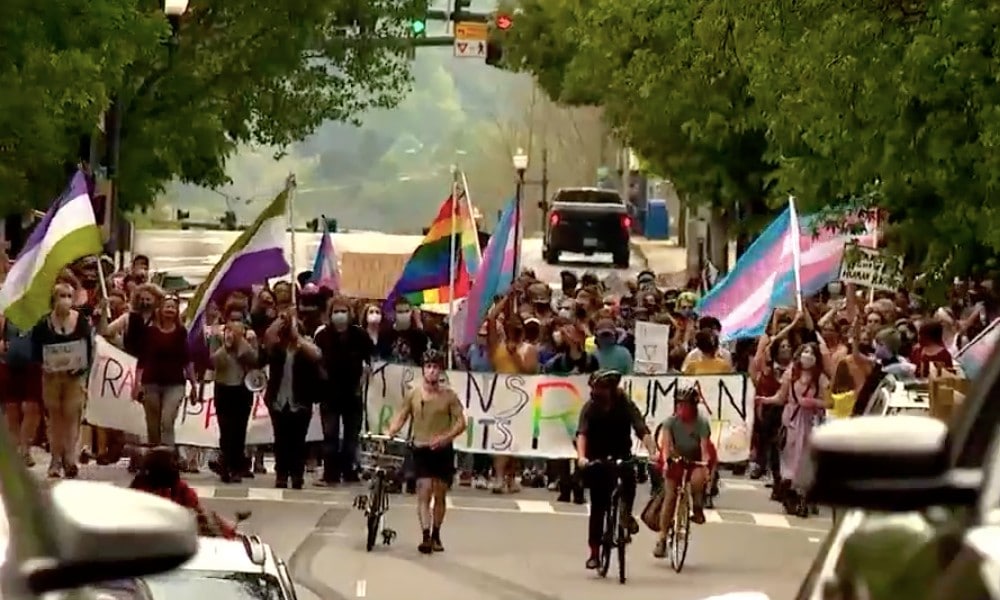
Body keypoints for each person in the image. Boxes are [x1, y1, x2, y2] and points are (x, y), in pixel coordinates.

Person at [385, 349, 467, 554]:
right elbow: (402, 415)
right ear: (423, 370)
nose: (431, 371)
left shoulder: (449, 396)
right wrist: (392, 430)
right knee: (424, 490)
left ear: (440, 371)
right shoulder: (414, 394)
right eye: (428, 367)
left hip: (442, 451)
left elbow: (461, 423)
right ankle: (425, 536)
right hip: (421, 448)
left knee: (439, 494)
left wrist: (445, 438)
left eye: (435, 367)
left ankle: (437, 532)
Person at [576, 369, 656, 570]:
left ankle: (626, 514)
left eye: (600, 388)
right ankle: (594, 552)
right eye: (594, 388)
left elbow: (641, 428)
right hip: (597, 457)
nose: (595, 392)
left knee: (629, 478)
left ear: (610, 389)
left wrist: (652, 450)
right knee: (598, 505)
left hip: (621, 454)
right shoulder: (590, 408)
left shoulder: (625, 405)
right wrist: (582, 457)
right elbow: (582, 434)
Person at [32, 281, 93, 478]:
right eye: (62, 296)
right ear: (54, 300)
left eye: (69, 296)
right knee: (55, 419)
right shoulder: (44, 323)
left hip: (74, 378)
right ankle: (55, 460)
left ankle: (70, 459)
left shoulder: (80, 320)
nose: (65, 300)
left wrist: (82, 366)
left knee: (72, 418)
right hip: (52, 377)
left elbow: (88, 348)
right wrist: (44, 365)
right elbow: (36, 351)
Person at [314, 295, 374, 485]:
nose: (340, 315)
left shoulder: (360, 335)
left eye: (343, 311)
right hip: (330, 394)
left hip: (352, 393)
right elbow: (317, 361)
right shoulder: (322, 335)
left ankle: (349, 472)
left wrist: (363, 380)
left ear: (350, 313)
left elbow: (371, 361)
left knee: (351, 437)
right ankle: (330, 474)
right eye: (336, 311)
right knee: (330, 435)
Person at [262, 310, 322, 489]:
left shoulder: (306, 346)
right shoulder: (277, 347)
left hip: (300, 401)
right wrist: (280, 320)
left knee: (298, 440)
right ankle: (281, 474)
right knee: (281, 440)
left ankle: (297, 475)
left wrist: (297, 337)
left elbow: (316, 355)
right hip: (278, 400)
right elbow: (267, 338)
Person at [653, 385, 713, 558]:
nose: (681, 408)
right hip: (676, 458)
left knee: (697, 480)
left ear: (693, 406)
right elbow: (666, 445)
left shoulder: (701, 423)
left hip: (694, 459)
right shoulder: (670, 422)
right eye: (679, 404)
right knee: (670, 496)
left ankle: (697, 506)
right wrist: (666, 461)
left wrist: (705, 465)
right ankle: (662, 538)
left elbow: (704, 449)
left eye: (685, 405)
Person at [129, 446, 237, 538]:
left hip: (176, 535)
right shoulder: (139, 492)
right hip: (151, 538)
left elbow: (200, 510)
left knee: (205, 517)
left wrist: (227, 530)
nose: (176, 467)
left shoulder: (179, 487)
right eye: (173, 463)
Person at [209, 317, 259, 483]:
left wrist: (241, 343)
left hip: (242, 388)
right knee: (226, 427)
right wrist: (226, 346)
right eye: (230, 330)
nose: (233, 334)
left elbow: (254, 359)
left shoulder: (249, 342)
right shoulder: (218, 340)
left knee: (239, 428)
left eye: (237, 331)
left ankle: (236, 465)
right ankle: (226, 462)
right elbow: (215, 361)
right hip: (223, 387)